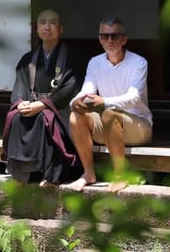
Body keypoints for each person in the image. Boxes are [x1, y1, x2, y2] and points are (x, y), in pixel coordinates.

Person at [63, 17, 152, 192]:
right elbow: (86, 90)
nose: (110, 41)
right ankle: (88, 173)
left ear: (124, 39)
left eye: (115, 36)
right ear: (100, 39)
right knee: (75, 116)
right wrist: (76, 102)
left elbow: (134, 97)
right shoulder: (95, 62)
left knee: (109, 114)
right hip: (108, 125)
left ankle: (120, 175)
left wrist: (104, 102)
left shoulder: (139, 62)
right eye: (105, 36)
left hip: (139, 126)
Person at [1, 8, 83, 187]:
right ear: (36, 29)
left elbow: (71, 88)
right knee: (15, 117)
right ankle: (22, 174)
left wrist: (44, 104)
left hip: (59, 111)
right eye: (43, 23)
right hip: (32, 107)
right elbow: (20, 87)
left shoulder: (73, 58)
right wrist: (21, 103)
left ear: (61, 29)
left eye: (53, 23)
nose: (47, 27)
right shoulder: (27, 60)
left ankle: (51, 174)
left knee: (45, 118)